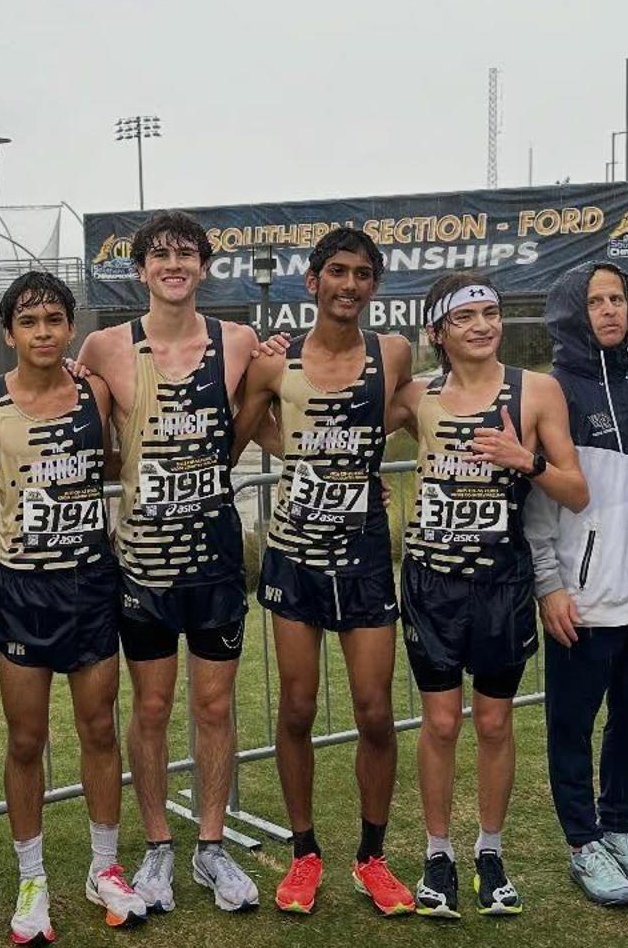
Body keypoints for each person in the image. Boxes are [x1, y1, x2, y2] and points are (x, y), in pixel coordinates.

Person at [0, 272, 150, 943]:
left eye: (54, 320)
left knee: (98, 729)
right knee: (26, 739)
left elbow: (121, 454)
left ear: (69, 328)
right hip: (24, 591)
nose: (42, 333)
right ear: (9, 332)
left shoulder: (93, 388)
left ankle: (103, 868)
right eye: (29, 322)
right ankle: (31, 879)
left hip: (91, 583)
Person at [75, 210, 266, 915]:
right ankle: (158, 844)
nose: (174, 264)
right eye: (161, 254)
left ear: (206, 268)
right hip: (145, 566)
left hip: (214, 558)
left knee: (214, 707)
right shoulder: (104, 346)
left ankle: (211, 846)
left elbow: (257, 418)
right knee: (151, 707)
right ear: (141, 270)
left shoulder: (239, 342)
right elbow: (80, 429)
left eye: (187, 253)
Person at [226, 227, 419, 916]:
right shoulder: (277, 365)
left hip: (364, 558)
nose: (349, 284)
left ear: (374, 285)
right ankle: (305, 854)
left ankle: (372, 856)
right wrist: (289, 440)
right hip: (295, 560)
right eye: (336, 271)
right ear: (312, 282)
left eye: (362, 274)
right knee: (299, 708)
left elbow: (411, 413)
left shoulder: (392, 353)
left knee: (373, 711)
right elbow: (236, 433)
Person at [393, 270, 587, 922]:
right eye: (465, 316)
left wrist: (522, 459)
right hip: (429, 583)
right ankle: (437, 855)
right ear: (439, 331)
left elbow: (575, 490)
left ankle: (492, 852)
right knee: (442, 723)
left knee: (496, 722)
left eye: (491, 312)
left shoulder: (536, 391)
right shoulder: (417, 395)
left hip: (500, 584)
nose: (481, 325)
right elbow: (329, 406)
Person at [524, 262, 628, 907]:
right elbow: (539, 505)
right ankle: (582, 840)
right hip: (584, 601)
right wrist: (549, 584)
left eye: (619, 297)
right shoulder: (554, 391)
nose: (611, 310)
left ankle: (618, 825)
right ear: (570, 311)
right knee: (572, 722)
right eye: (596, 301)